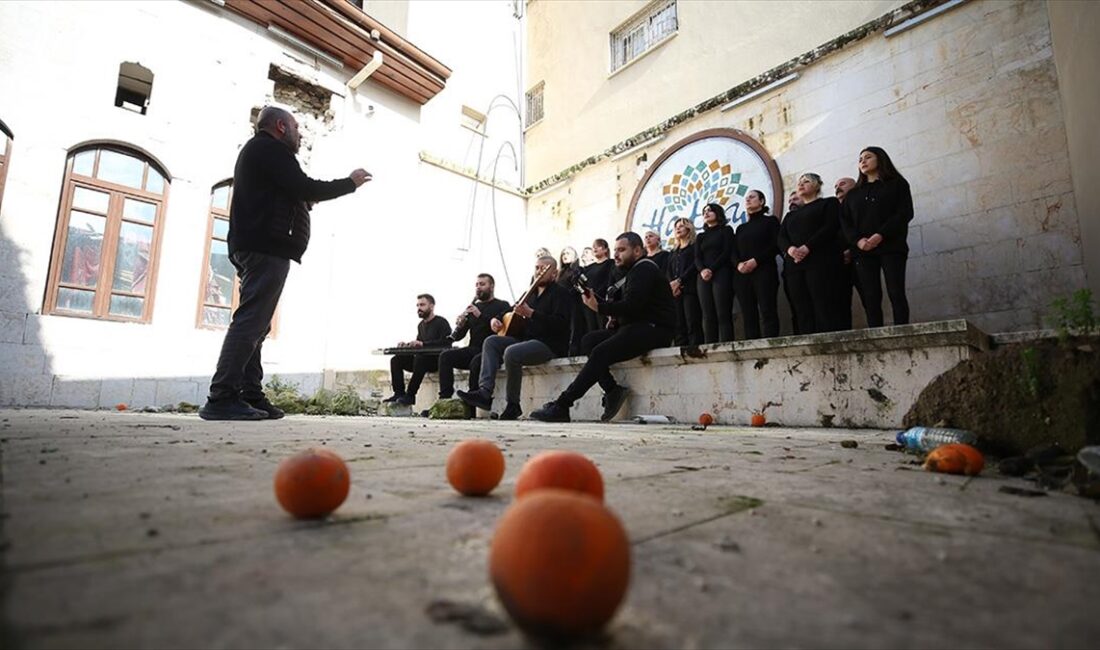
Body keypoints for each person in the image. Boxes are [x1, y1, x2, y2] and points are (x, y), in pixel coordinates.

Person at [199, 106, 371, 421]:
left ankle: (250, 394)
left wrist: (300, 200)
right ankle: (221, 396)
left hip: (256, 245)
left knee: (258, 324)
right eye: (296, 127)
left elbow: (289, 192)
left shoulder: (260, 152)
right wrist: (350, 182)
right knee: (251, 321)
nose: (300, 134)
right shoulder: (270, 148)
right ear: (281, 126)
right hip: (265, 247)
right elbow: (306, 186)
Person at [531, 232, 675, 423]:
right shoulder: (631, 272)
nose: (616, 255)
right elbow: (633, 308)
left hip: (655, 328)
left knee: (600, 351)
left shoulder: (644, 269)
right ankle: (612, 390)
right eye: (615, 250)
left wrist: (599, 307)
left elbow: (633, 306)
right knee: (589, 341)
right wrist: (611, 315)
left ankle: (563, 404)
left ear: (638, 250)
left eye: (622, 250)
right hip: (636, 326)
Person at [457, 257, 571, 420]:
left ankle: (513, 405)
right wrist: (495, 319)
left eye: (544, 268)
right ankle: (484, 392)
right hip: (525, 340)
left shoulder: (561, 293)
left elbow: (561, 324)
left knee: (511, 352)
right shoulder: (529, 293)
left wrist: (532, 314)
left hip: (548, 344)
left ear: (554, 273)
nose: (539, 272)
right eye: (537, 268)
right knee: (491, 341)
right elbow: (509, 311)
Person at [841, 146, 914, 327]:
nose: (863, 162)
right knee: (871, 295)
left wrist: (880, 235)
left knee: (895, 291)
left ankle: (902, 331)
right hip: (862, 250)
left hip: (892, 246)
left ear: (880, 159)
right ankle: (875, 333)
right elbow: (845, 222)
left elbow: (904, 213)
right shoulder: (853, 194)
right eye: (860, 159)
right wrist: (858, 241)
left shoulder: (897, 184)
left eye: (868, 157)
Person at [778, 173, 842, 335]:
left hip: (820, 261)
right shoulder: (790, 215)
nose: (801, 184)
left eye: (806, 181)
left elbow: (830, 226)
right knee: (801, 305)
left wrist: (807, 247)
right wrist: (791, 249)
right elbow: (781, 237)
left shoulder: (828, 203)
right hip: (795, 265)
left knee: (822, 302)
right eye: (799, 182)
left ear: (817, 185)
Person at [435, 274, 510, 402]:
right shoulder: (474, 307)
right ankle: (445, 398)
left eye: (482, 284)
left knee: (476, 361)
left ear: (491, 287)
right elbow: (458, 336)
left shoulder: (502, 305)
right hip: (473, 348)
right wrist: (461, 325)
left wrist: (479, 315)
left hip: (491, 352)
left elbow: (499, 328)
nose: (478, 288)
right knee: (445, 356)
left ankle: (471, 401)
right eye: (477, 285)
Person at [384, 294, 452, 405]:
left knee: (421, 359)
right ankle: (399, 393)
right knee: (396, 360)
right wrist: (407, 346)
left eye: (422, 305)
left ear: (431, 306)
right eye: (418, 305)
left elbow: (446, 343)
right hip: (420, 361)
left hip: (436, 361)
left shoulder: (441, 322)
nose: (419, 308)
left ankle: (410, 395)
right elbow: (419, 345)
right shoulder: (421, 325)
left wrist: (423, 344)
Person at [734, 190, 781, 339]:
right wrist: (738, 264)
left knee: (768, 309)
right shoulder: (741, 228)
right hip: (742, 275)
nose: (748, 200)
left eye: (752, 197)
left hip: (764, 271)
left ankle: (771, 344)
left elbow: (776, 245)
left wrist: (756, 260)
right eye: (746, 198)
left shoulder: (771, 221)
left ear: (761, 201)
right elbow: (733, 251)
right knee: (748, 314)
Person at [695, 203, 736, 343]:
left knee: (723, 312)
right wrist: (703, 270)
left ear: (718, 213)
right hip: (703, 276)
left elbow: (726, 252)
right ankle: (710, 348)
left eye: (710, 211)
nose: (706, 213)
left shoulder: (726, 230)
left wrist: (711, 269)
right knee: (707, 315)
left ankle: (727, 346)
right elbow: (697, 257)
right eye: (704, 211)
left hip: (721, 273)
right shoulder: (700, 236)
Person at [667, 217, 703, 345]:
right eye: (676, 226)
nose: (678, 228)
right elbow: (669, 270)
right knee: (678, 322)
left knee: (692, 320)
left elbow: (694, 265)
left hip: (690, 289)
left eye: (681, 226)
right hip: (675, 292)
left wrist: (680, 281)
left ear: (689, 228)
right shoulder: (673, 251)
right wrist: (672, 284)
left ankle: (694, 348)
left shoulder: (694, 246)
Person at [833, 177, 860, 330]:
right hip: (839, 263)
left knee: (869, 296)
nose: (838, 188)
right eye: (836, 186)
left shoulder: (860, 204)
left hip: (859, 257)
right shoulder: (833, 210)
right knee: (841, 303)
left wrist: (852, 250)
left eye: (842, 184)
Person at [781, 192, 804, 335]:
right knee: (797, 307)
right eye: (789, 200)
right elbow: (781, 239)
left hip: (815, 265)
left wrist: (804, 249)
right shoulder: (788, 218)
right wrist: (791, 250)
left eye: (795, 199)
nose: (791, 202)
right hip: (791, 268)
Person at [557, 246, 587, 356]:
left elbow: (577, 286)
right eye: (563, 253)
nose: (565, 255)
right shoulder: (559, 273)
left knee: (574, 328)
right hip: (560, 305)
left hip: (573, 303)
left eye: (568, 253)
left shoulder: (578, 270)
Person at [581, 238, 614, 333]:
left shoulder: (610, 263)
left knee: (601, 328)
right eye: (593, 246)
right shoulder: (589, 267)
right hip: (588, 301)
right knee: (590, 328)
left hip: (601, 300)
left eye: (598, 246)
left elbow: (609, 280)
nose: (595, 248)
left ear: (605, 249)